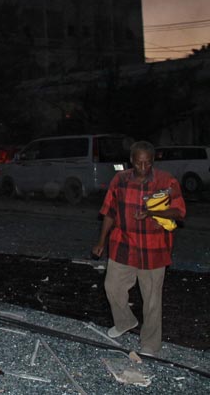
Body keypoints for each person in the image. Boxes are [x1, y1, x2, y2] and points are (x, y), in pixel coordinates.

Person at [91, 140, 186, 356]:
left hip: (154, 248)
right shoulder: (120, 180)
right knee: (112, 286)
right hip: (123, 243)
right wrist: (101, 242)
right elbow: (109, 212)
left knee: (152, 299)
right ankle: (125, 321)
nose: (143, 168)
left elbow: (179, 212)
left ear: (153, 161)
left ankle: (150, 344)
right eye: (139, 163)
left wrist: (153, 213)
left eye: (148, 163)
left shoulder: (166, 181)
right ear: (131, 161)